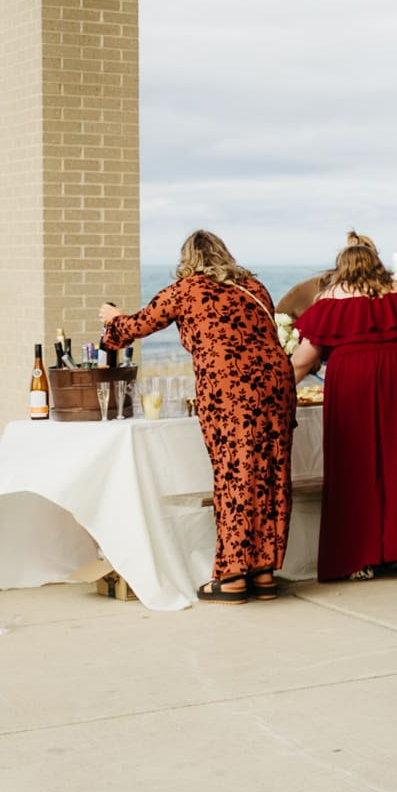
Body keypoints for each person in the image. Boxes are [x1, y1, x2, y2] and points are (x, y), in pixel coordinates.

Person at [100, 231, 296, 605]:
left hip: (231, 388)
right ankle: (264, 571)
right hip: (276, 384)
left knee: (234, 474)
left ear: (187, 259)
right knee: (269, 473)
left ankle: (233, 575)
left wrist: (113, 319)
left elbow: (135, 327)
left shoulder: (187, 289)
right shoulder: (254, 286)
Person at [289, 232, 397, 582]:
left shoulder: (329, 299)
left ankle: (359, 556)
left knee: (353, 464)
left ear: (342, 269)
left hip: (352, 381)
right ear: (378, 264)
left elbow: (303, 361)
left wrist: (275, 390)